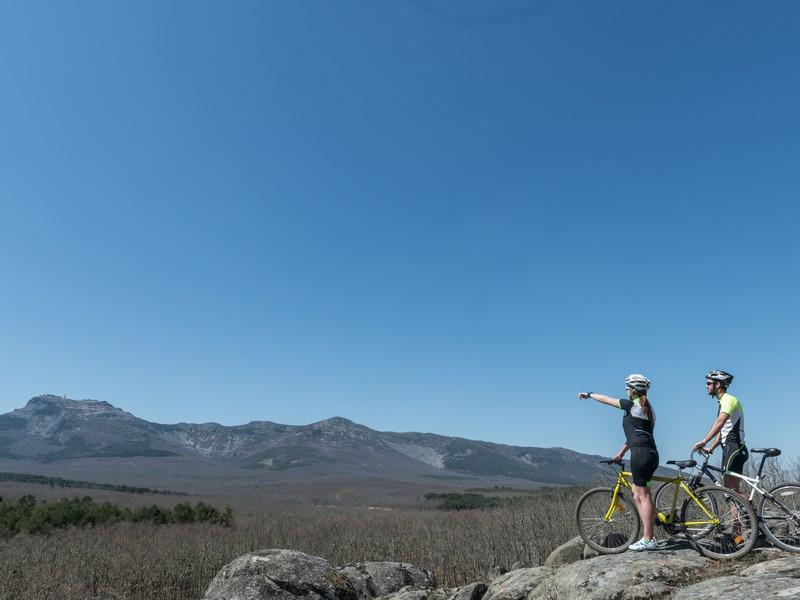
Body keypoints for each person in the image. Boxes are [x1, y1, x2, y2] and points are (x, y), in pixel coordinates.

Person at [578, 374, 659, 551]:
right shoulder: (648, 410)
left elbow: (607, 400)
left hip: (640, 454)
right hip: (650, 453)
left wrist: (589, 394)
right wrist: (621, 453)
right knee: (638, 494)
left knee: (643, 496)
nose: (625, 390)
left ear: (633, 389)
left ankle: (649, 538)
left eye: (627, 387)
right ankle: (648, 535)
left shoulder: (631, 405)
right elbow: (636, 435)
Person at [692, 370, 747, 492]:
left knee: (731, 491)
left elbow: (719, 423)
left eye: (709, 383)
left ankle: (750, 510)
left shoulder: (728, 400)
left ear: (718, 385)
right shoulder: (723, 402)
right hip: (731, 448)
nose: (706, 386)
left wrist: (704, 441)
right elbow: (723, 430)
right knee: (732, 491)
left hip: (734, 447)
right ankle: (747, 510)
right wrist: (711, 447)